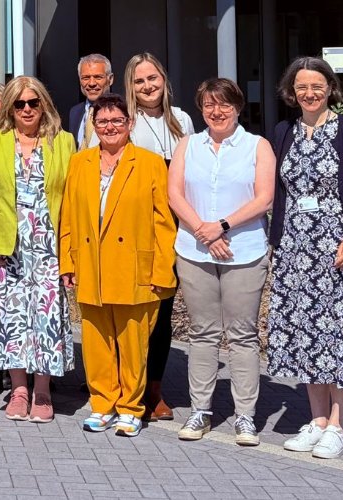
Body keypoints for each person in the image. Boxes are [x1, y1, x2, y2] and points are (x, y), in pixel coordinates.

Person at [267, 56, 343, 460]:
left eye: (317, 86)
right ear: (291, 92)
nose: (309, 93)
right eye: (301, 87)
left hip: (338, 248)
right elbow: (279, 191)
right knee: (306, 334)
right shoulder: (283, 132)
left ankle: (338, 425)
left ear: (330, 88)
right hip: (295, 250)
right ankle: (316, 421)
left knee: (338, 334)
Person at [59, 93, 176, 437]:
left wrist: (162, 269)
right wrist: (67, 261)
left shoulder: (150, 163)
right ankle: (102, 403)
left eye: (116, 120)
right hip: (90, 264)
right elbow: (68, 216)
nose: (109, 127)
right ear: (93, 125)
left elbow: (164, 223)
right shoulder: (79, 162)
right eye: (102, 121)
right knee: (96, 342)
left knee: (132, 343)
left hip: (134, 267)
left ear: (129, 124)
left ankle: (130, 407)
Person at [169, 77, 275, 446]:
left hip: (244, 251)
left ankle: (245, 416)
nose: (217, 111)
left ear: (238, 106)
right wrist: (204, 231)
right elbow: (174, 194)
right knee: (202, 333)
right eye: (209, 105)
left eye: (224, 104)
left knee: (243, 335)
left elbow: (264, 198)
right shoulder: (188, 145)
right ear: (201, 109)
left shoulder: (257, 146)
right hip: (194, 251)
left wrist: (222, 226)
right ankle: (201, 410)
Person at [0, 75, 76, 423]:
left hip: (48, 244)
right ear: (10, 108)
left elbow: (72, 199)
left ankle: (42, 390)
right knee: (11, 317)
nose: (27, 109)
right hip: (6, 245)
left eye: (33, 102)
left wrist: (71, 252)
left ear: (44, 104)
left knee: (47, 316)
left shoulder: (63, 141)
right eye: (19, 104)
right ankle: (18, 389)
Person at [123, 52, 195, 422]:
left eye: (153, 78)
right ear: (130, 86)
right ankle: (127, 386)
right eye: (139, 81)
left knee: (162, 310)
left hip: (173, 227)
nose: (147, 86)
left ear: (164, 80)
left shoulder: (182, 120)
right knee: (133, 310)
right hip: (134, 227)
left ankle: (154, 388)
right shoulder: (125, 122)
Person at [67, 54, 113, 149]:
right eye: (86, 78)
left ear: (110, 79)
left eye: (98, 77)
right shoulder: (75, 112)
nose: (92, 83)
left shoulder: (121, 111)